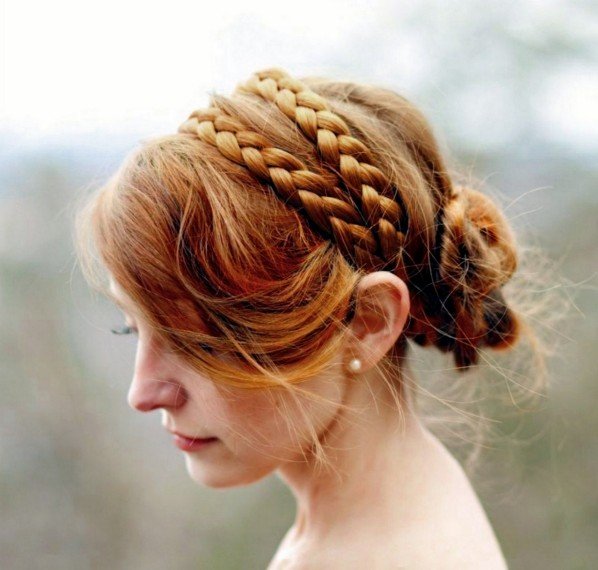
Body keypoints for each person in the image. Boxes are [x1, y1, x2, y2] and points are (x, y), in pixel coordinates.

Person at [74, 67, 534, 568]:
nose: (141, 393)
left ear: (367, 323)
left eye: (199, 342)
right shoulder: (403, 506)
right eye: (131, 326)